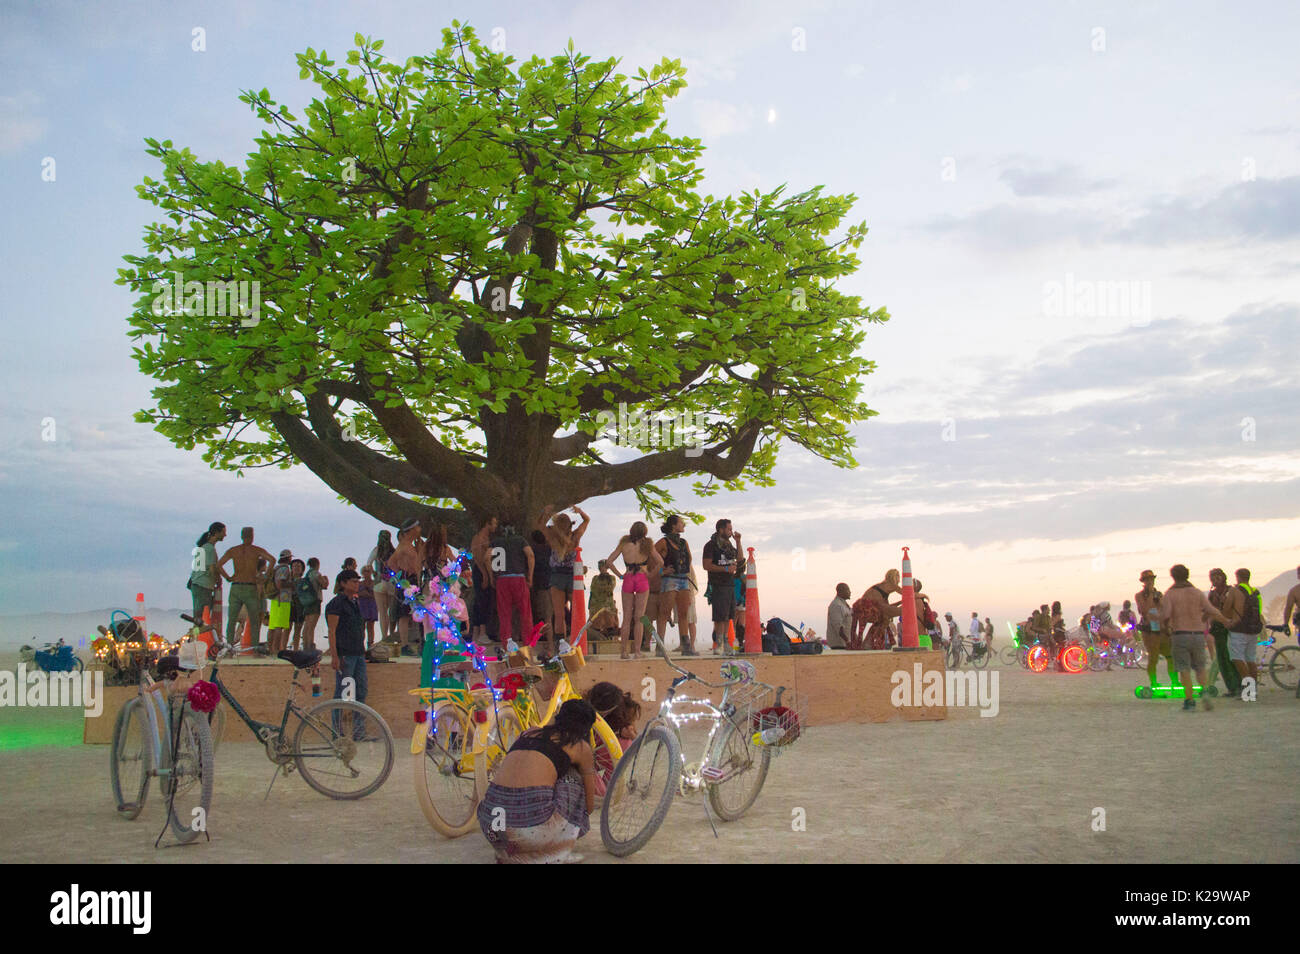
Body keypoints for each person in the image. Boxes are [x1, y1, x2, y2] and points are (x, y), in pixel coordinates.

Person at [477, 699, 598, 863]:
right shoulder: (580, 746)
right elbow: (589, 807)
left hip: (491, 828)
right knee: (573, 778)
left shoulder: (528, 733)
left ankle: (512, 852)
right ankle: (554, 852)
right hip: (530, 834)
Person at [1158, 564, 1230, 711]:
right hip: (1197, 635)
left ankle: (1190, 701)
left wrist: (1162, 624)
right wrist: (1226, 621)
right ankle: (1204, 692)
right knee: (1200, 668)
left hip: (1180, 634)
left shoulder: (1170, 594)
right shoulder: (1197, 593)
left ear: (1173, 576)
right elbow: (1211, 610)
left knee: (1184, 669)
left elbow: (1165, 615)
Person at [605, 522, 661, 660]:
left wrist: (619, 575)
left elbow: (609, 561)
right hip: (642, 578)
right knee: (640, 617)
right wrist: (652, 574)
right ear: (645, 532)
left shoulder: (624, 543)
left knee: (626, 617)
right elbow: (660, 562)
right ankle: (637, 652)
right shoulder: (648, 544)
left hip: (628, 578)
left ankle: (623, 652)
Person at [539, 506, 590, 649]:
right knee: (577, 611)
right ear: (570, 525)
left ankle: (560, 643)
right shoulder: (575, 536)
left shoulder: (551, 537)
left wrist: (547, 512)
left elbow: (540, 525)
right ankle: (577, 641)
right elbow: (587, 520)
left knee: (559, 613)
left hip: (557, 575)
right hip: (574, 576)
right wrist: (580, 511)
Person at [325, 569, 369, 733]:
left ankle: (359, 731)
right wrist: (335, 656)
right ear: (343, 583)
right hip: (345, 655)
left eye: (357, 581)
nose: (356, 584)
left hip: (358, 653)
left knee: (361, 691)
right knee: (343, 694)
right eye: (353, 581)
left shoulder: (355, 602)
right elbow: (332, 631)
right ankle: (337, 733)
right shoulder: (336, 604)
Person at [217, 527, 275, 647]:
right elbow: (272, 560)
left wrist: (228, 577)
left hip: (236, 586)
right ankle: (254, 649)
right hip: (250, 586)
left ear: (242, 536)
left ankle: (229, 648)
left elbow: (219, 565)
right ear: (252, 536)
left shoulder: (234, 550)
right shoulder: (256, 550)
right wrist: (265, 576)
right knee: (254, 621)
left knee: (232, 620)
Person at [655, 515, 697, 655]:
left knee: (683, 613)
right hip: (670, 579)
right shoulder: (663, 542)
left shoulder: (684, 542)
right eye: (681, 523)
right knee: (664, 612)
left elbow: (689, 559)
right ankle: (660, 646)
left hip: (683, 579)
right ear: (674, 525)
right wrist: (662, 570)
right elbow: (650, 559)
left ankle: (686, 646)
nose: (683, 525)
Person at [701, 519, 744, 656]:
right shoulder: (711, 545)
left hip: (730, 584)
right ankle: (718, 643)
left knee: (728, 616)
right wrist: (725, 568)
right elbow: (706, 565)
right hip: (718, 584)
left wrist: (738, 541)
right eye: (729, 529)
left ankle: (725, 642)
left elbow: (740, 560)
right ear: (721, 529)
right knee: (719, 616)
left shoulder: (729, 545)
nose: (731, 532)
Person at [489, 523, 534, 650]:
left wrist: (491, 575)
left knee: (504, 614)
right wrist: (530, 575)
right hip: (519, 578)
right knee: (525, 612)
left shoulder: (495, 542)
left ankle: (507, 644)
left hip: (502, 580)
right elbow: (530, 555)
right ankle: (528, 644)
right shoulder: (520, 541)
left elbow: (487, 557)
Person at [1222, 568, 1264, 693]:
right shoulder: (1255, 592)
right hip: (1253, 630)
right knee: (1250, 659)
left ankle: (1248, 690)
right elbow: (1259, 611)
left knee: (1237, 658)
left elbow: (1226, 609)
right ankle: (1253, 689)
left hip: (1238, 630)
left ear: (1238, 577)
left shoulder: (1235, 591)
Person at [388, 517, 424, 655]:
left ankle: (418, 641)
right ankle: (404, 645)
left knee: (416, 612)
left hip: (414, 579)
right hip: (408, 580)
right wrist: (400, 577)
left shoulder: (411, 544)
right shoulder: (403, 546)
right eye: (418, 527)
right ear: (412, 530)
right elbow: (391, 563)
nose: (420, 530)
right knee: (404, 614)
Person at [1206, 569, 1242, 698]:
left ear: (1223, 577)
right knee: (1222, 659)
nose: (1215, 580)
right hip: (1217, 629)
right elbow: (1208, 610)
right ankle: (1232, 687)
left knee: (1233, 657)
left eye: (1218, 577)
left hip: (1232, 627)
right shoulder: (1212, 594)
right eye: (1213, 578)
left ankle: (1239, 686)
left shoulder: (1231, 591)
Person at [1135, 569, 1175, 688]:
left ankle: (1174, 681)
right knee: (1153, 658)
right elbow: (1144, 609)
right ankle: (1153, 682)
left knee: (1170, 657)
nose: (1150, 581)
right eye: (1147, 580)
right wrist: (1151, 594)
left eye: (1151, 579)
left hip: (1162, 629)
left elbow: (1164, 610)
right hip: (1149, 631)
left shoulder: (1160, 594)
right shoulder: (1139, 595)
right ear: (1143, 581)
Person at [188, 521, 228, 623]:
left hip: (197, 583)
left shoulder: (204, 547)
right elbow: (212, 569)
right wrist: (218, 579)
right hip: (203, 585)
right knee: (202, 615)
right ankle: (200, 635)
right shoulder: (209, 549)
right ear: (217, 532)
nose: (225, 535)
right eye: (223, 532)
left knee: (198, 613)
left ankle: (197, 635)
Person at [849, 572, 900, 651]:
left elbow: (887, 607)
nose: (899, 580)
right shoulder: (891, 585)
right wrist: (921, 596)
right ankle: (869, 642)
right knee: (884, 619)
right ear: (893, 577)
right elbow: (907, 593)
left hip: (860, 607)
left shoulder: (881, 586)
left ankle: (866, 642)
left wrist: (900, 602)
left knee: (884, 618)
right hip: (867, 608)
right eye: (898, 576)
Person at [469, 516, 498, 645]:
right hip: (481, 571)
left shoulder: (487, 539)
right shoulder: (478, 538)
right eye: (494, 523)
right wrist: (485, 575)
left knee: (482, 601)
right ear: (487, 524)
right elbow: (477, 558)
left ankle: (476, 633)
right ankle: (481, 632)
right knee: (482, 601)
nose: (495, 526)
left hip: (486, 570)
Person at [367, 530, 396, 643]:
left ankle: (384, 637)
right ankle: (392, 634)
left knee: (382, 612)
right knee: (391, 611)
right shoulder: (394, 551)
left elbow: (368, 564)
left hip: (379, 583)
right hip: (392, 583)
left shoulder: (376, 550)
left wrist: (375, 573)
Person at [265, 549, 295, 655]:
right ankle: (276, 650)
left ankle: (270, 649)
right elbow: (280, 584)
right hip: (282, 600)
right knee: (279, 627)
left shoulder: (276, 568)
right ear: (288, 558)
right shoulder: (284, 569)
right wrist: (292, 584)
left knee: (272, 626)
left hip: (275, 600)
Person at [530, 530, 554, 653]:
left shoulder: (534, 551)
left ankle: (550, 645)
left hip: (541, 587)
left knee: (545, 617)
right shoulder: (550, 550)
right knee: (548, 616)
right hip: (551, 585)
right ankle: (550, 643)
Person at [587, 560, 620, 638]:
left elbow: (609, 588)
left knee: (610, 626)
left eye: (603, 566)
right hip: (597, 607)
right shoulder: (595, 579)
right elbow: (594, 589)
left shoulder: (611, 578)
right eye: (601, 567)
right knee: (596, 627)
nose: (602, 568)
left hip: (607, 607)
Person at [300, 557, 327, 651]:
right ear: (317, 564)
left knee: (307, 624)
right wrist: (326, 579)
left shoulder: (307, 574)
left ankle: (305, 646)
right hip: (314, 601)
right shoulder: (316, 573)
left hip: (306, 601)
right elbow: (324, 585)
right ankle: (310, 646)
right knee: (312, 625)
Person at [358, 565, 379, 649]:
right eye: (365, 571)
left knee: (371, 626)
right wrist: (362, 594)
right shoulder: (359, 583)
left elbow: (377, 594)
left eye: (368, 571)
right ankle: (360, 645)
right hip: (362, 605)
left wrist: (370, 594)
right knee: (361, 626)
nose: (367, 573)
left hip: (371, 605)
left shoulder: (374, 583)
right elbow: (356, 593)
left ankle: (370, 645)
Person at [289, 558, 308, 650]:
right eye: (294, 566)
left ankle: (295, 650)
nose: (296, 568)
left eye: (299, 566)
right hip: (289, 606)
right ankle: (282, 649)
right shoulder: (287, 581)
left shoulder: (304, 581)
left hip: (300, 607)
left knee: (298, 629)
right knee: (286, 629)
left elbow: (306, 592)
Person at [826, 583, 853, 649]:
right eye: (848, 590)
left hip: (845, 645)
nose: (850, 592)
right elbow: (839, 627)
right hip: (839, 645)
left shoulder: (844, 605)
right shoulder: (836, 605)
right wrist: (848, 641)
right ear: (841, 591)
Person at [1284, 565, 1300, 638]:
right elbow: (1288, 608)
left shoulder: (1294, 591)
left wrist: (1285, 624)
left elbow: (1288, 608)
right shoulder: (1294, 591)